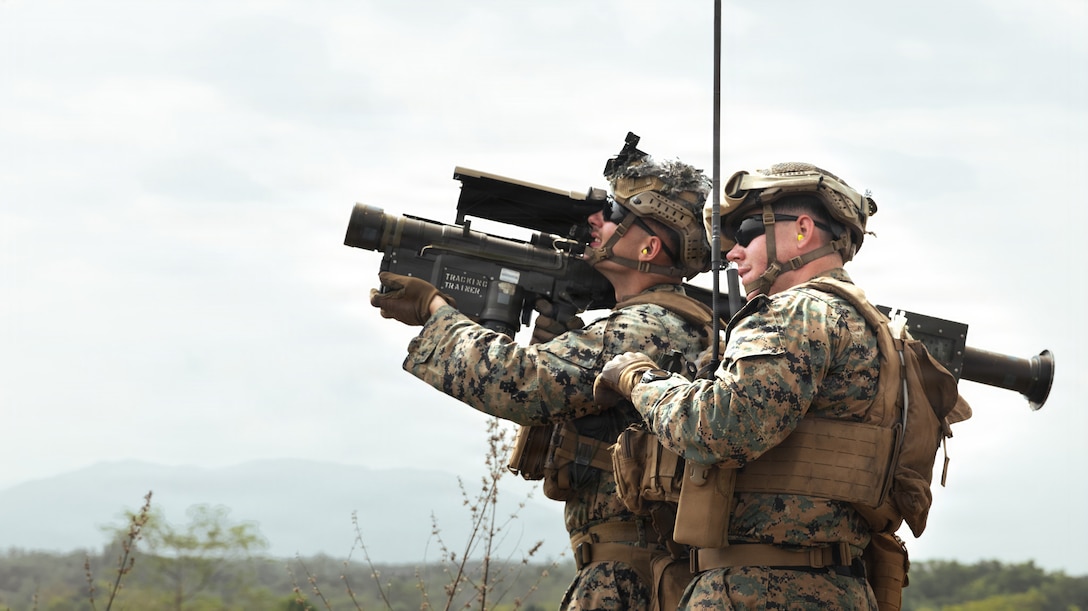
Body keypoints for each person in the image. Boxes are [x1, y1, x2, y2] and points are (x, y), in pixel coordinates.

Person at [369, 137, 717, 611]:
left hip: (629, 581)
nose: (596, 220)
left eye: (614, 213)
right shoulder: (665, 322)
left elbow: (520, 384)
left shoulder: (645, 326)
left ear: (651, 246)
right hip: (637, 572)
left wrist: (434, 311)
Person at [594, 161, 887, 609]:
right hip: (838, 587)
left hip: (758, 590)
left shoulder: (793, 313)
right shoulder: (878, 330)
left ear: (804, 230)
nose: (731, 253)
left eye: (746, 232)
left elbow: (717, 428)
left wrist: (638, 378)